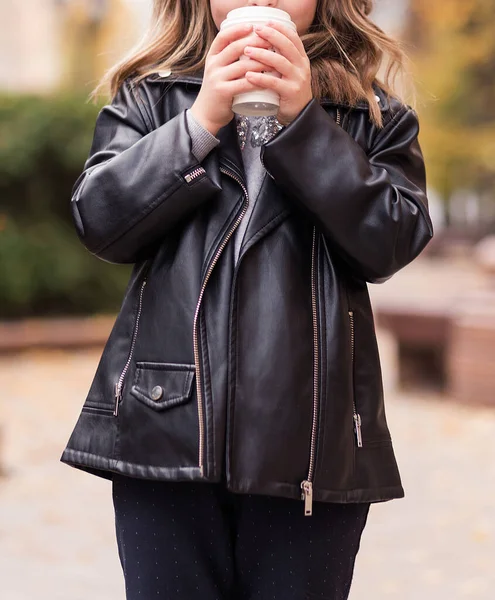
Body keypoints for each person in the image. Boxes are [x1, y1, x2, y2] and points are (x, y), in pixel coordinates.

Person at [61, 0, 433, 598]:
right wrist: (200, 120)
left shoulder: (370, 115)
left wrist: (306, 123)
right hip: (168, 431)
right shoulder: (149, 99)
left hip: (312, 443)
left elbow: (392, 242)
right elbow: (101, 222)